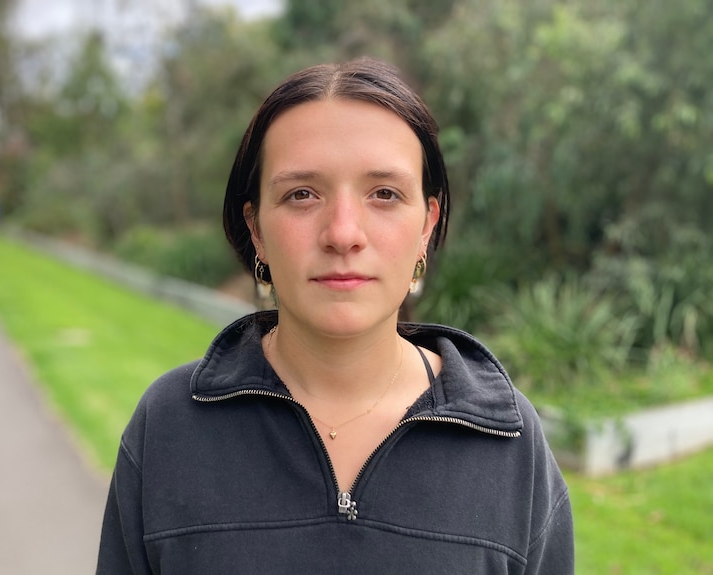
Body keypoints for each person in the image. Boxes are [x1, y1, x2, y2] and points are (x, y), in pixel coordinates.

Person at [96, 58, 573, 574]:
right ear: (256, 229)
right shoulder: (169, 426)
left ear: (426, 229)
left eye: (384, 194)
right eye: (302, 194)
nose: (343, 233)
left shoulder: (509, 445)